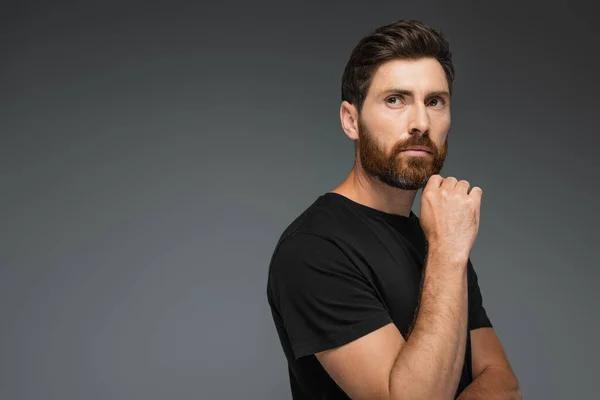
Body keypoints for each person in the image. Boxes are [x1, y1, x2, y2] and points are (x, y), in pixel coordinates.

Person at [266, 19, 521, 400]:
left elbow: (503, 381)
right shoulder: (314, 250)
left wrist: (445, 250)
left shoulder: (435, 239)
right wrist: (450, 253)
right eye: (395, 100)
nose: (421, 122)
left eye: (435, 102)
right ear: (351, 120)